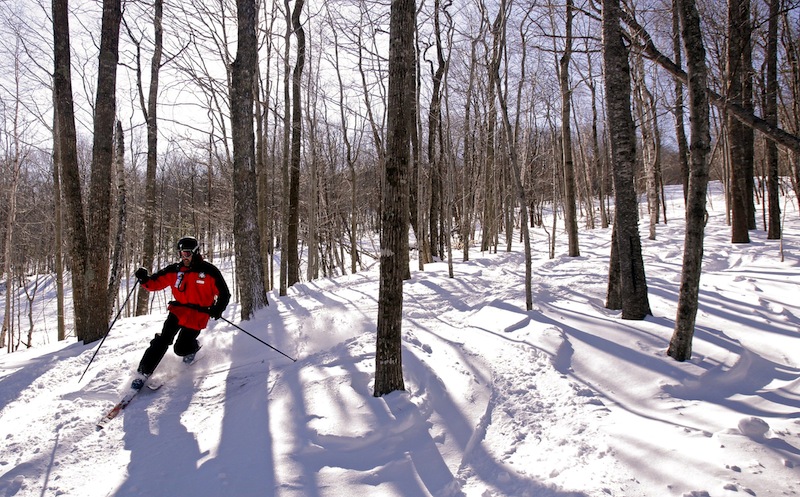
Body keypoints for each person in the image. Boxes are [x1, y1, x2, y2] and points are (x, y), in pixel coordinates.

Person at [131, 236, 231, 390]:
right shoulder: (175, 270)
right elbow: (155, 283)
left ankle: (193, 348)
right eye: (181, 254)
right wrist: (144, 279)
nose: (184, 257)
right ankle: (142, 373)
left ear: (195, 252)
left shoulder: (209, 271)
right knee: (162, 339)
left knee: (180, 349)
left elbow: (224, 293)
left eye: (187, 254)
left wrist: (218, 309)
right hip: (178, 310)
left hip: (198, 314)